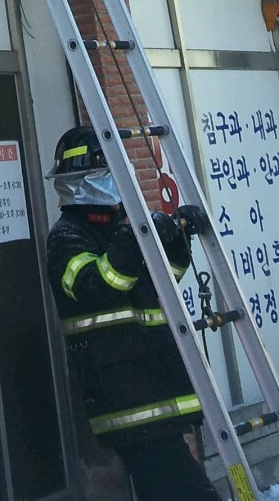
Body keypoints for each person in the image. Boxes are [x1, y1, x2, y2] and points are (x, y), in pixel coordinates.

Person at [46, 126, 216, 501]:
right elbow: (99, 287)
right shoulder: (66, 237)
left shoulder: (116, 231)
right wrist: (134, 238)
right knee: (189, 492)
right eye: (107, 172)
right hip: (127, 398)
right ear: (80, 180)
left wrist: (176, 238)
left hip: (154, 384)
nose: (118, 181)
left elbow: (161, 283)